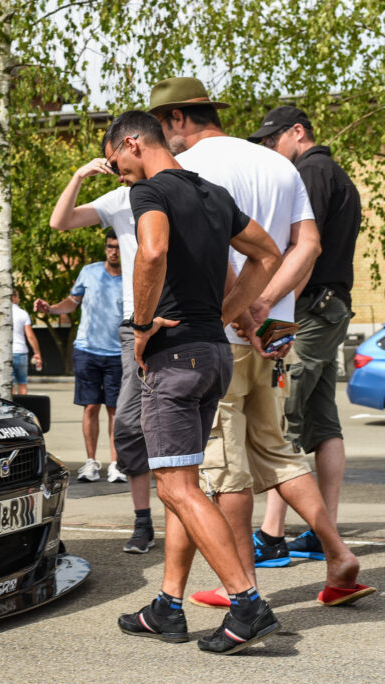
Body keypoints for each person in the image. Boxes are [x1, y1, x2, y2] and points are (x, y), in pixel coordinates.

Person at [148, 77, 372, 609]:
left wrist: (241, 310)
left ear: (178, 118)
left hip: (218, 332)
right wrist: (268, 306)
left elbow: (214, 251)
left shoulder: (192, 170)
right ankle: (337, 555)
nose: (162, 139)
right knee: (276, 450)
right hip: (276, 332)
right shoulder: (279, 164)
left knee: (226, 465)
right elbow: (307, 245)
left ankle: (240, 588)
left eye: (161, 126)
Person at [104, 109, 285, 654]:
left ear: (132, 143)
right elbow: (268, 254)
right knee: (180, 481)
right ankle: (168, 605)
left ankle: (247, 603)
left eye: (116, 164)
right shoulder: (212, 193)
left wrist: (140, 327)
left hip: (174, 357)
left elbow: (153, 251)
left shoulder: (150, 193)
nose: (119, 176)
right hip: (212, 355)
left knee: (176, 486)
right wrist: (226, 314)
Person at [248, 106, 362, 562]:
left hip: (309, 309)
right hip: (329, 307)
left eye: (273, 140)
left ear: (297, 132)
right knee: (322, 419)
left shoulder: (310, 172)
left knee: (284, 418)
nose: (270, 150)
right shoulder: (336, 174)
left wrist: (280, 317)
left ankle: (271, 537)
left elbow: (305, 250)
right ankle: (321, 529)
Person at [49, 165, 154, 552]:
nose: (118, 171)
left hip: (181, 324)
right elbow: (60, 221)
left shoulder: (189, 186)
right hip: (121, 336)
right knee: (123, 421)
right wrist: (76, 176)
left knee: (180, 428)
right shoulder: (118, 201)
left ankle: (187, 517)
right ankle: (140, 517)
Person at [34, 230, 125, 485]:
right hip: (87, 351)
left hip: (117, 353)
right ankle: (91, 463)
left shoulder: (132, 274)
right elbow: (72, 302)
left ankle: (116, 465)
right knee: (91, 407)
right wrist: (51, 309)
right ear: (105, 248)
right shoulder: (89, 271)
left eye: (117, 247)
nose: (113, 251)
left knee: (115, 410)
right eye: (110, 246)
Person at [0, 291, 42, 395]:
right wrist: (37, 353)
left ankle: (12, 409)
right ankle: (23, 408)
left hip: (4, 352)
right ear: (14, 298)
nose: (19, 299)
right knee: (22, 383)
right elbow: (30, 336)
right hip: (21, 352)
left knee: (9, 384)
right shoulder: (23, 313)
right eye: (19, 297)